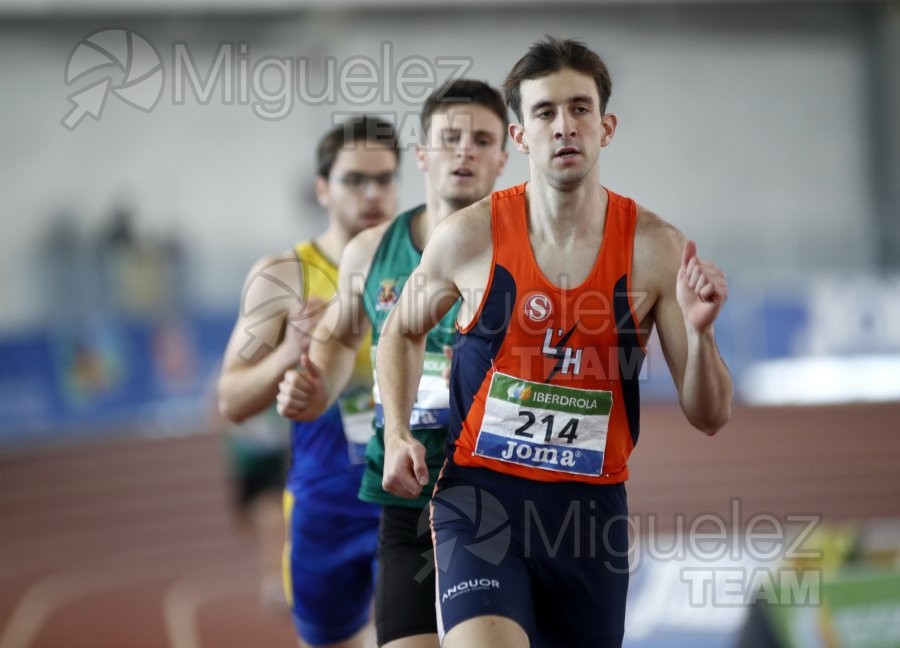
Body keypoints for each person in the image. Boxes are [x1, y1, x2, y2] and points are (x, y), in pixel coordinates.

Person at [376, 38, 733, 647]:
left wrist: (699, 336)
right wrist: (398, 434)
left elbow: (711, 415)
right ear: (520, 136)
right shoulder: (470, 237)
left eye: (579, 108)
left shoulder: (655, 248)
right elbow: (401, 330)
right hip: (481, 497)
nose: (564, 126)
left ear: (606, 125)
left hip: (589, 518)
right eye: (544, 112)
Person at [275, 80, 509, 647]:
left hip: (498, 497)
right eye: (449, 138)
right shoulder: (371, 252)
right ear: (423, 155)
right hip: (404, 494)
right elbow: (333, 348)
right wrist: (315, 390)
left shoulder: (528, 248)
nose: (465, 151)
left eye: (482, 139)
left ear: (505, 155)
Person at [218, 115, 401, 648]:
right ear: (322, 188)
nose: (372, 193)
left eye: (385, 178)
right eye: (354, 180)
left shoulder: (425, 265)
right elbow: (231, 399)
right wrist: (287, 357)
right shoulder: (284, 276)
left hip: (411, 504)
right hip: (326, 506)